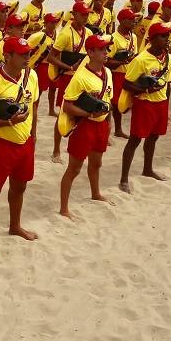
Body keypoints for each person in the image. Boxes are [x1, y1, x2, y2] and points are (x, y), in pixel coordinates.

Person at [0, 36, 40, 264]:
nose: (27, 57)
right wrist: (8, 122)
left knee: (20, 186)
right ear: (7, 56)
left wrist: (33, 134)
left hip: (24, 143)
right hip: (1, 144)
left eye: (28, 53)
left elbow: (34, 106)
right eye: (22, 54)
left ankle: (15, 225)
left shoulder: (31, 75)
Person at [58, 35, 116, 218]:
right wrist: (89, 114)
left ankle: (95, 193)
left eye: (107, 49)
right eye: (102, 49)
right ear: (90, 52)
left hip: (101, 126)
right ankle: (64, 208)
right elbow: (67, 105)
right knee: (74, 168)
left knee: (97, 163)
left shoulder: (108, 73)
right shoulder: (80, 77)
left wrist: (109, 121)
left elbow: (109, 100)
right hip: (85, 126)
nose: (106, 52)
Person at [118, 23, 171, 191]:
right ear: (152, 39)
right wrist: (145, 89)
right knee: (135, 139)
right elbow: (127, 84)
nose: (167, 39)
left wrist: (167, 104)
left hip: (161, 103)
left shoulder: (167, 57)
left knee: (154, 137)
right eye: (163, 36)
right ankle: (123, 179)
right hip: (145, 104)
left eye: (167, 36)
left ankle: (147, 169)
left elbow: (168, 83)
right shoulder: (141, 59)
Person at [48, 1, 89, 161]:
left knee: (81, 114)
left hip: (83, 78)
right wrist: (69, 66)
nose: (86, 17)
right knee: (64, 114)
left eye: (87, 14)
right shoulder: (66, 33)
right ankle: (56, 150)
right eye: (83, 14)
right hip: (68, 78)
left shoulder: (88, 33)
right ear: (75, 15)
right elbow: (51, 57)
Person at [109, 8, 138, 138]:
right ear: (123, 21)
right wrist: (123, 62)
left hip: (131, 73)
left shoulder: (134, 37)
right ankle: (117, 129)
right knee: (115, 103)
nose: (134, 22)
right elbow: (107, 61)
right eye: (131, 20)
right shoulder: (113, 38)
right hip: (117, 74)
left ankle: (124, 129)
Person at [32, 12, 61, 116]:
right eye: (51, 22)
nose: (54, 25)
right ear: (46, 23)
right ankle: (34, 109)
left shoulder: (55, 34)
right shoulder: (40, 35)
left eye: (55, 22)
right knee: (39, 90)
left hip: (52, 64)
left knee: (53, 88)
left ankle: (51, 110)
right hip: (43, 65)